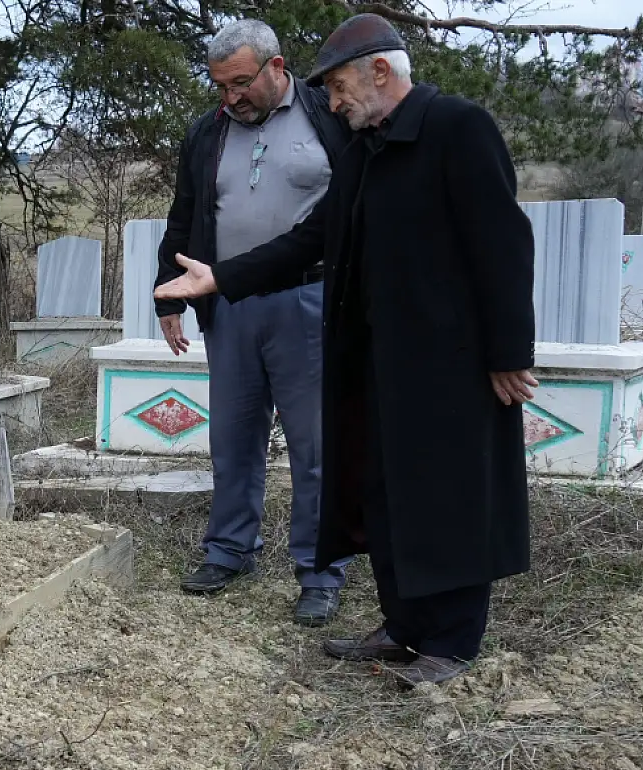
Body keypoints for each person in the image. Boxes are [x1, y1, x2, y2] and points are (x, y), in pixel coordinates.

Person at [154, 14, 536, 688]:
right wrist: (223, 277)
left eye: (337, 88)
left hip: (451, 362)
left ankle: (451, 641)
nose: (331, 103)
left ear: (380, 73)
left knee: (446, 497)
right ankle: (404, 625)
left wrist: (509, 351)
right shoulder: (366, 147)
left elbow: (503, 245)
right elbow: (312, 239)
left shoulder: (457, 129)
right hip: (377, 358)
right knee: (386, 492)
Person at [154, 20, 352, 625]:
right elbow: (186, 212)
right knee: (233, 440)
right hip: (230, 305)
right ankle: (230, 549)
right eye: (220, 86)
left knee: (315, 444)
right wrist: (168, 296)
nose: (231, 97)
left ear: (276, 66)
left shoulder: (329, 115)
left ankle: (320, 570)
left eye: (241, 83)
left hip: (309, 300)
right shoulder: (207, 132)